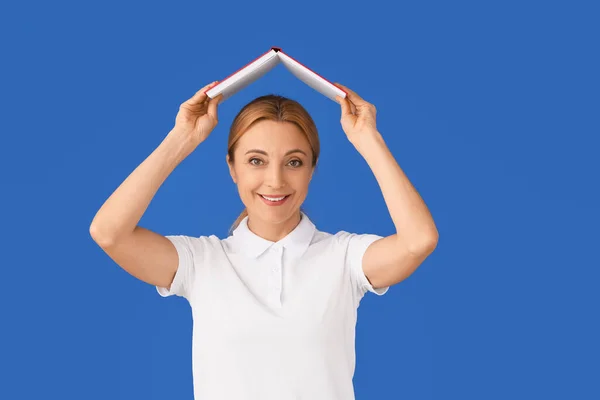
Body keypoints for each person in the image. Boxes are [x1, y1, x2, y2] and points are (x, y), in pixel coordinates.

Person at [89, 80, 439, 399]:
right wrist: (183, 138)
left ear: (312, 169)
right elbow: (109, 232)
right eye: (256, 160)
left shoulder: (343, 258)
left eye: (294, 162)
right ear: (232, 167)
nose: (275, 181)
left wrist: (367, 138)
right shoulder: (202, 262)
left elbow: (418, 240)